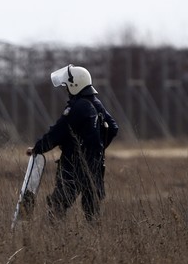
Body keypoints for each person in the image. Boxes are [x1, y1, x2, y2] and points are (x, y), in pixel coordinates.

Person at [25, 64, 118, 222]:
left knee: (58, 205)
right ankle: (95, 239)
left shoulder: (78, 107)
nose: (66, 90)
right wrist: (97, 149)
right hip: (95, 165)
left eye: (67, 86)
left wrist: (38, 148)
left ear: (75, 85)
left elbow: (58, 132)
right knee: (92, 209)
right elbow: (113, 128)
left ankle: (50, 236)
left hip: (74, 164)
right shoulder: (96, 103)